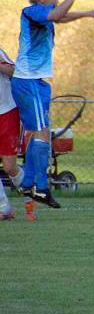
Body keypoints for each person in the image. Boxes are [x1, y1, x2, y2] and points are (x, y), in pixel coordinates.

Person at [11, 0, 94, 209]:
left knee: (41, 134)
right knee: (42, 135)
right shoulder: (31, 11)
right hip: (27, 81)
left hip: (38, 83)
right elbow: (56, 15)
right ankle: (41, 187)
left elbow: (61, 16)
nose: (57, 1)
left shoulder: (46, 15)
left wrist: (86, 14)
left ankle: (30, 182)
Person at [0, 46, 28, 220]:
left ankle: (30, 198)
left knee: (10, 166)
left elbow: (13, 71)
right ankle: (4, 208)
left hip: (7, 112)